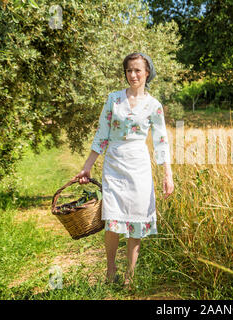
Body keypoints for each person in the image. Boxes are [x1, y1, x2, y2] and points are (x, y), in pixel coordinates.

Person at [74, 52, 174, 287]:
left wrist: (167, 174)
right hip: (114, 164)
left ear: (147, 72)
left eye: (138, 70)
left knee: (136, 221)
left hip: (139, 165)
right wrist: (87, 166)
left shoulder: (154, 106)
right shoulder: (113, 99)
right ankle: (111, 270)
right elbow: (102, 134)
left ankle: (130, 276)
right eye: (129, 70)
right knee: (113, 218)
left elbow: (161, 141)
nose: (133, 75)